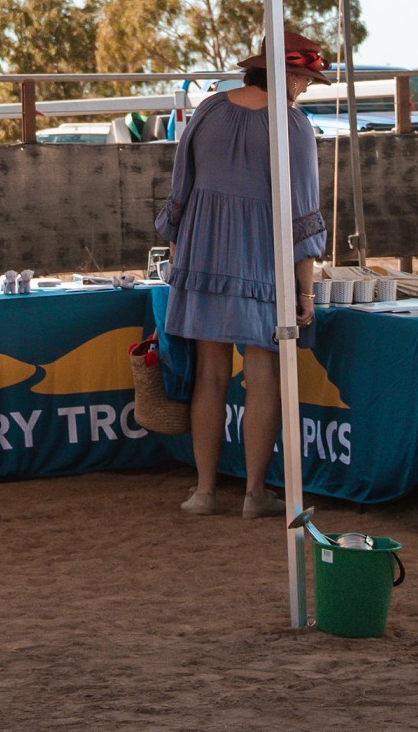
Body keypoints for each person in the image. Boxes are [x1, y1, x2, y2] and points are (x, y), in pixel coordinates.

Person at [157, 30, 329, 518]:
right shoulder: (292, 125)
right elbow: (303, 216)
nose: (304, 89)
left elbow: (180, 189)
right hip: (261, 258)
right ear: (287, 75)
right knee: (263, 374)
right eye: (303, 79)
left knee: (209, 377)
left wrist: (182, 256)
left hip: (202, 254)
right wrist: (306, 292)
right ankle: (255, 494)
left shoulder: (208, 109)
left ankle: (204, 491)